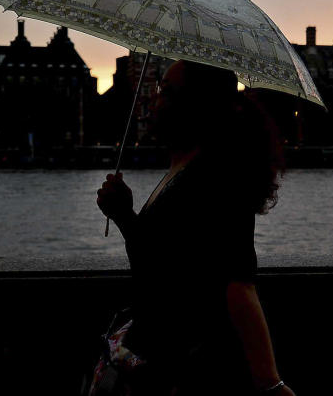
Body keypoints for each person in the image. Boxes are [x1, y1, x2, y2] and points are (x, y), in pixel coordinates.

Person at [96, 60, 295, 396]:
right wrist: (124, 215)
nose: (154, 99)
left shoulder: (215, 178)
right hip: (162, 360)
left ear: (193, 105)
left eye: (165, 91)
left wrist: (269, 383)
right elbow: (164, 262)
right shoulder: (183, 168)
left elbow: (238, 285)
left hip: (190, 372)